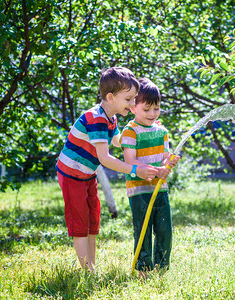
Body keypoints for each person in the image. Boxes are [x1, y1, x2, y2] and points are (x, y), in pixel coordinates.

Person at [56, 67, 157, 271]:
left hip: (87, 175)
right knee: (80, 222)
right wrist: (134, 170)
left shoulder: (111, 118)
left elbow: (119, 141)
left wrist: (139, 128)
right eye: (129, 99)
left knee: (92, 220)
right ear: (111, 97)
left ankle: (90, 267)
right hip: (71, 175)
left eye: (134, 99)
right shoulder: (96, 119)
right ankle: (88, 271)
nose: (133, 103)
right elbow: (105, 158)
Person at [121, 78, 180, 275]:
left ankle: (161, 268)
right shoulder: (130, 131)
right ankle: (143, 270)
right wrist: (157, 169)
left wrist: (168, 164)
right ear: (133, 108)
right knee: (144, 231)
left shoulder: (162, 131)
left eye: (156, 109)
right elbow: (130, 160)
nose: (152, 114)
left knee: (164, 230)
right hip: (139, 191)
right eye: (146, 110)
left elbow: (165, 158)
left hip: (160, 189)